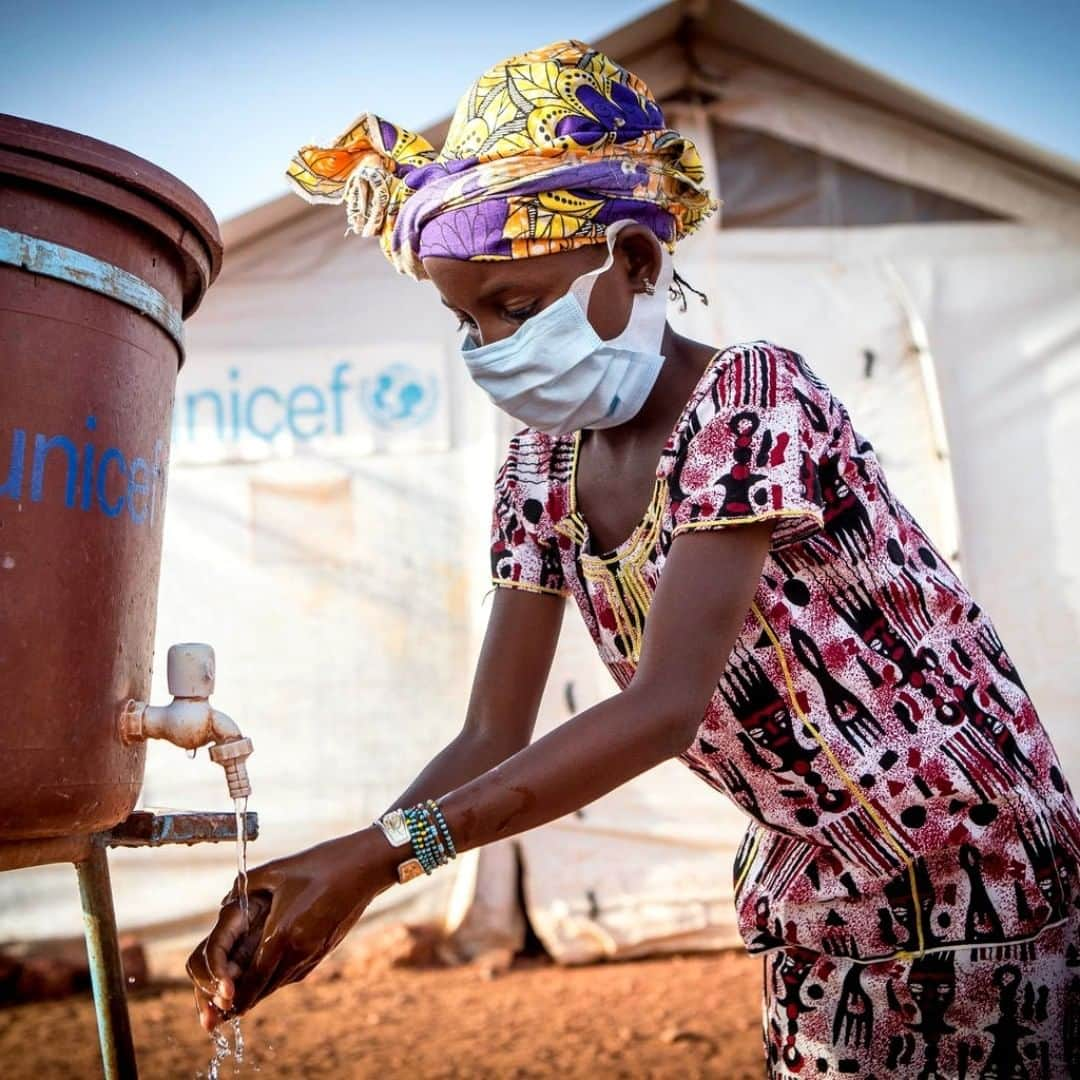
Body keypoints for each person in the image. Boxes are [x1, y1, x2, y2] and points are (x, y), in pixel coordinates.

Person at [187, 40, 1080, 1076]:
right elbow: (491, 730)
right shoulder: (538, 470)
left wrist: (381, 858)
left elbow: (666, 708)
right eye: (467, 318)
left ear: (639, 262)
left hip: (973, 873)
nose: (490, 345)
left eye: (516, 306)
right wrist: (345, 877)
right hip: (814, 884)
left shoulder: (750, 401)